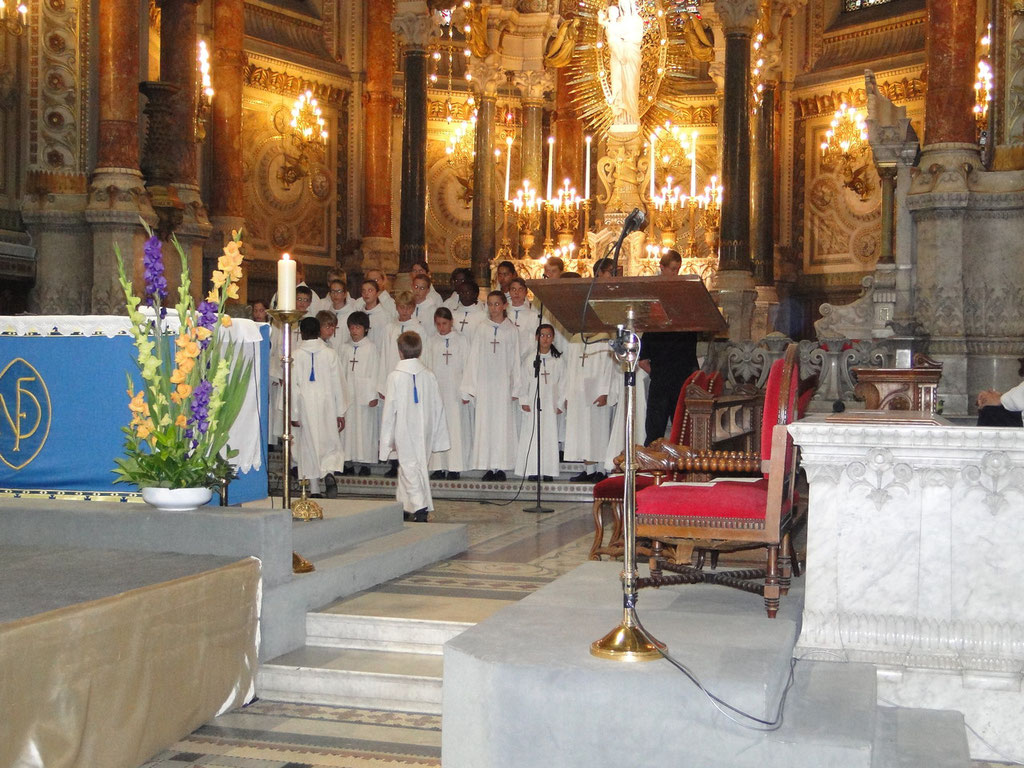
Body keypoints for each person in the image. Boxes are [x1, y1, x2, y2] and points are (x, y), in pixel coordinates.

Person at [380, 331, 450, 522]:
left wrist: (387, 438)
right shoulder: (429, 374)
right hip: (425, 427)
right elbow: (438, 405)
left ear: (400, 352)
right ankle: (404, 505)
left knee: (410, 466)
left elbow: (389, 410)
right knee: (410, 466)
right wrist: (438, 431)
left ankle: (420, 508)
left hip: (404, 427)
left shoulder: (395, 377)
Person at [461, 291, 522, 481]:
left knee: (502, 425)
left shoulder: (511, 330)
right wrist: (470, 386)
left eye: (497, 304)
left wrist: (516, 387)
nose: (493, 308)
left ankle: (501, 466)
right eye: (490, 304)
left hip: (503, 384)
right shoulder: (482, 328)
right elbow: (474, 357)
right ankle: (488, 465)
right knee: (486, 424)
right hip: (485, 384)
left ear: (504, 306)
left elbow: (516, 360)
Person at [640, 250, 699, 445]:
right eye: (672, 269)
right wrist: (658, 372)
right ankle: (650, 468)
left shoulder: (686, 296)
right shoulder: (653, 298)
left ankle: (680, 469)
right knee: (655, 428)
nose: (676, 273)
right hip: (662, 374)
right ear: (662, 268)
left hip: (682, 372)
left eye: (678, 270)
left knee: (681, 428)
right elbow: (643, 358)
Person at [290, 316, 347, 497]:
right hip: (327, 404)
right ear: (319, 331)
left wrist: (294, 414)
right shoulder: (330, 354)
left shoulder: (295, 355)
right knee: (329, 441)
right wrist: (340, 412)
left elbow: (293, 386)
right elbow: (338, 383)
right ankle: (329, 473)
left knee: (308, 446)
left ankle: (313, 490)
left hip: (305, 405)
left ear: (303, 333)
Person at [563, 329, 617, 482]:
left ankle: (601, 470)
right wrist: (568, 394)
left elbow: (609, 367)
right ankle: (588, 470)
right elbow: (570, 368)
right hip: (578, 394)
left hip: (597, 393)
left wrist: (605, 392)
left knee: (598, 432)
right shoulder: (576, 340)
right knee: (582, 433)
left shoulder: (604, 339)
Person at [514, 324, 565, 480]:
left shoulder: (557, 360)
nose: (545, 339)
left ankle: (548, 470)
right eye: (542, 335)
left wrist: (560, 402)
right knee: (532, 435)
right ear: (536, 337)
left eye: (549, 335)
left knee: (549, 437)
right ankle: (533, 470)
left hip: (550, 403)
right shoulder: (530, 359)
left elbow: (564, 382)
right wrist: (523, 400)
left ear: (553, 338)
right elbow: (522, 381)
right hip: (532, 402)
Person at [426, 307, 472, 480]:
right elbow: (428, 367)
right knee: (438, 427)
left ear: (451, 322)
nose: (441, 327)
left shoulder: (461, 340)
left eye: (444, 323)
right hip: (437, 391)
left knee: (455, 428)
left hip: (455, 391)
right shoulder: (431, 341)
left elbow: (468, 366)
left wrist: (466, 391)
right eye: (438, 324)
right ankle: (438, 466)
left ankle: (454, 466)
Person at [338, 311, 383, 476]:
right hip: (348, 394)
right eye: (352, 327)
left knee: (365, 429)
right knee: (348, 429)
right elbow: (340, 372)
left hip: (365, 396)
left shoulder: (371, 348)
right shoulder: (344, 348)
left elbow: (376, 371)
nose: (354, 330)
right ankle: (347, 462)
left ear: (365, 329)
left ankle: (365, 463)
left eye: (358, 327)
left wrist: (373, 395)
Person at [598, 0, 643, 126]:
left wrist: (624, 38)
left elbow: (638, 38)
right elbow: (609, 32)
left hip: (632, 54)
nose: (624, 7)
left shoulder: (637, 20)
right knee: (618, 83)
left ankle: (632, 116)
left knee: (631, 85)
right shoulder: (616, 22)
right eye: (622, 5)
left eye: (626, 4)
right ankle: (619, 115)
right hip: (617, 57)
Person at [360, 277, 397, 350]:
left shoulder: (385, 316)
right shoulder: (359, 315)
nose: (366, 294)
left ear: (377, 293)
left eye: (370, 290)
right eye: (363, 291)